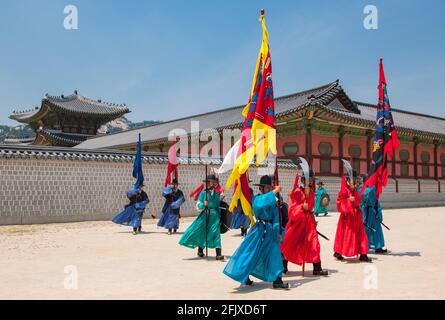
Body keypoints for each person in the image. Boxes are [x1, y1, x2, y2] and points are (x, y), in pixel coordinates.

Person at [223, 175, 289, 289]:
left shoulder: (274, 201)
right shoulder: (257, 199)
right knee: (250, 254)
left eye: (269, 187)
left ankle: (277, 280)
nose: (268, 189)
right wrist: (273, 193)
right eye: (266, 187)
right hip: (258, 230)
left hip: (270, 231)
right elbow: (259, 205)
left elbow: (276, 218)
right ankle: (245, 276)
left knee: (275, 254)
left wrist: (278, 232)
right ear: (261, 188)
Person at [281, 163, 329, 276]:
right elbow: (292, 209)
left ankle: (317, 267)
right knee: (289, 243)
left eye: (311, 179)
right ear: (302, 180)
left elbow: (311, 209)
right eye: (308, 179)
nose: (310, 181)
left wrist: (312, 218)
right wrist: (302, 207)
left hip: (308, 223)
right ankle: (283, 266)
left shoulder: (312, 192)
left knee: (314, 243)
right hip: (297, 222)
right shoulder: (297, 192)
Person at [179, 174, 224, 260]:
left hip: (215, 217)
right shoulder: (203, 193)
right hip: (205, 215)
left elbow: (218, 207)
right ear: (208, 183)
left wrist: (220, 218)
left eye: (214, 182)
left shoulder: (217, 194)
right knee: (202, 232)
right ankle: (200, 250)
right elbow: (198, 205)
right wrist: (203, 204)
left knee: (216, 233)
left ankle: (218, 254)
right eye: (211, 182)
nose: (213, 183)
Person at [334, 171, 372, 262]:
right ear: (347, 179)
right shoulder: (344, 190)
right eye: (352, 179)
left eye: (355, 179)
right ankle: (338, 252)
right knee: (344, 235)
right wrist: (348, 200)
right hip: (347, 216)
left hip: (357, 215)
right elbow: (339, 203)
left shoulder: (354, 189)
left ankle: (363, 254)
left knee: (361, 234)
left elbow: (358, 201)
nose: (354, 181)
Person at [360, 185, 388, 254]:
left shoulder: (374, 188)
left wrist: (378, 212)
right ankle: (364, 246)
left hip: (373, 211)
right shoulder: (363, 190)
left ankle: (378, 247)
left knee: (377, 229)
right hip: (367, 212)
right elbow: (361, 203)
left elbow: (376, 202)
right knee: (367, 229)